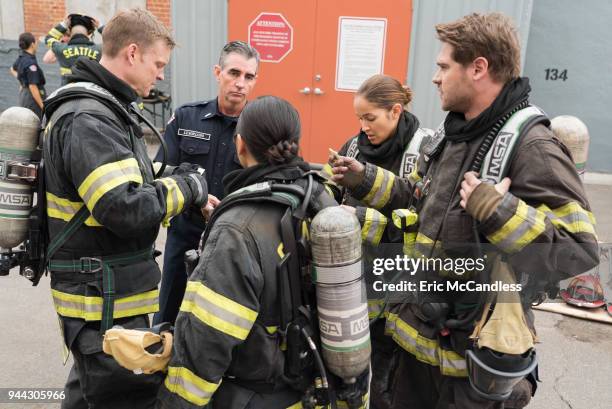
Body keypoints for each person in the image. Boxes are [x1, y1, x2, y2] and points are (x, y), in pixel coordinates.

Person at [329, 12, 599, 409]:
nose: (435, 77)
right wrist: (363, 178)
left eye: (443, 66)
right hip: (415, 353)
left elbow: (580, 250)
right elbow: (417, 198)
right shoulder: (452, 136)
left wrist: (496, 210)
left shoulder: (533, 147)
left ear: (478, 68)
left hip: (469, 372)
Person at [42, 8, 208, 409]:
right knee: (124, 399)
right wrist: (189, 187)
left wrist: (178, 182)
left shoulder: (105, 111)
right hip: (104, 303)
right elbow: (125, 206)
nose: (161, 75)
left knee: (88, 395)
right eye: (158, 63)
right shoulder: (90, 119)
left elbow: (132, 183)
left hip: (106, 298)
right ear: (132, 53)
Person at [156, 96, 339, 409]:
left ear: (240, 145)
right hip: (312, 385)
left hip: (254, 394)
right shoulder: (319, 195)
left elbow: (207, 340)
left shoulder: (236, 229)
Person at [322, 74, 429, 409]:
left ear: (395, 111)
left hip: (397, 286)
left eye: (371, 118)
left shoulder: (423, 151)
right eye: (359, 118)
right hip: (352, 281)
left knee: (386, 381)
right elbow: (328, 191)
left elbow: (419, 223)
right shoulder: (354, 147)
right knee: (347, 376)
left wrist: (355, 220)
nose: (363, 126)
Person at [153, 40, 259, 325]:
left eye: (249, 77)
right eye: (234, 73)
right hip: (185, 231)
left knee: (222, 321)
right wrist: (196, 196)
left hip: (237, 241)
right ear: (217, 72)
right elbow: (160, 170)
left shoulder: (260, 127)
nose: (240, 83)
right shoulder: (188, 117)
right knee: (169, 315)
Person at [44, 13, 102, 84]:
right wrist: (100, 27)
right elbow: (116, 41)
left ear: (70, 32)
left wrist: (63, 25)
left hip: (67, 91)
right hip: (91, 93)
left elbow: (48, 39)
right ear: (89, 33)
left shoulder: (61, 49)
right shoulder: (99, 49)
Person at [10, 32, 46, 118]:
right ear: (32, 44)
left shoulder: (22, 57)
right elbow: (33, 86)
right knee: (36, 123)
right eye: (36, 42)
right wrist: (43, 107)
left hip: (25, 95)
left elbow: (12, 69)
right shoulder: (30, 63)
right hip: (32, 99)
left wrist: (22, 81)